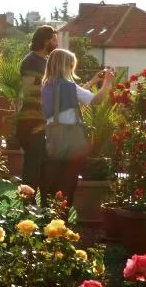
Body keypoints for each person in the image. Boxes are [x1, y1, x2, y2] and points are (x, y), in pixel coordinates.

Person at [41, 49, 115, 207]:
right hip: (71, 137)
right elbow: (95, 100)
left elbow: (71, 98)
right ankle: (62, 219)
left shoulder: (48, 85)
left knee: (53, 178)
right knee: (68, 182)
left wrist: (94, 81)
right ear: (65, 66)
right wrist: (107, 82)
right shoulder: (69, 86)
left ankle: (47, 216)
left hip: (54, 137)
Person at [16, 25, 58, 198]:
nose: (56, 42)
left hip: (43, 121)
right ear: (45, 40)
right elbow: (29, 91)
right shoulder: (31, 61)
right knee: (32, 169)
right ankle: (26, 209)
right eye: (54, 39)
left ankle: (43, 208)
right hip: (30, 122)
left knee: (44, 168)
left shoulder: (46, 62)